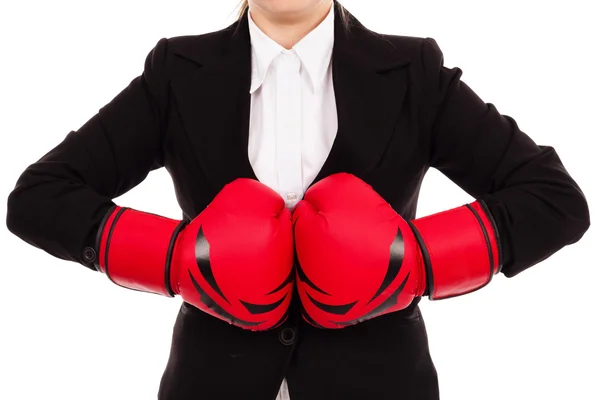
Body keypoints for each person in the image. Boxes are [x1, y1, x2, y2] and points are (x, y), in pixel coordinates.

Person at [5, 0, 590, 399]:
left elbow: (555, 199)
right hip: (211, 385)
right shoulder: (177, 74)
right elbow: (40, 197)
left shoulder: (414, 71)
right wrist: (175, 260)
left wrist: (413, 261)